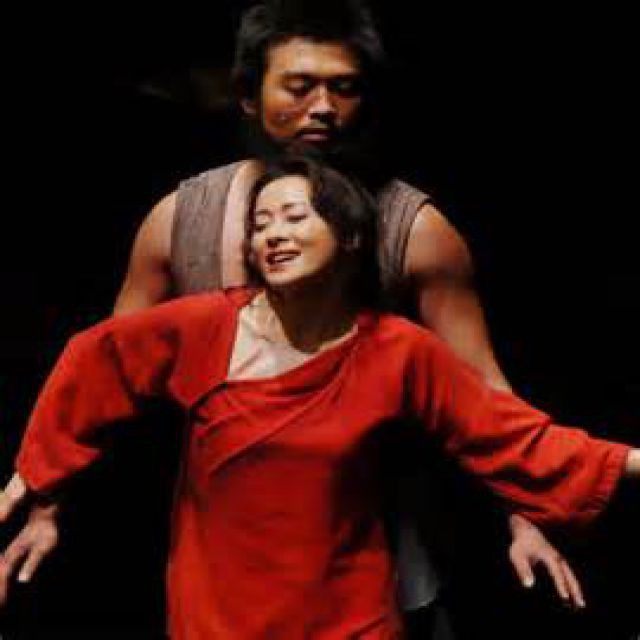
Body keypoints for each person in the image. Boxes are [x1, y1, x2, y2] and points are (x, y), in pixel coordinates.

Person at [0, 0, 585, 628]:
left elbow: (484, 392)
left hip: (369, 525)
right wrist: (46, 506)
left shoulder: (414, 231)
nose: (324, 107)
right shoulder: (182, 218)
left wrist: (527, 516)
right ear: (249, 97)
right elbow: (105, 378)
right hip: (221, 527)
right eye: (299, 87)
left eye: (344, 88)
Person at [2, 155, 638, 639]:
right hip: (217, 616)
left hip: (349, 616)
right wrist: (40, 482)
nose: (272, 235)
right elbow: (95, 362)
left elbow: (507, 433)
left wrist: (632, 463)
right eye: (260, 225)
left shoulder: (398, 350)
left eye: (295, 217)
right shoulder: (203, 327)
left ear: (351, 237)